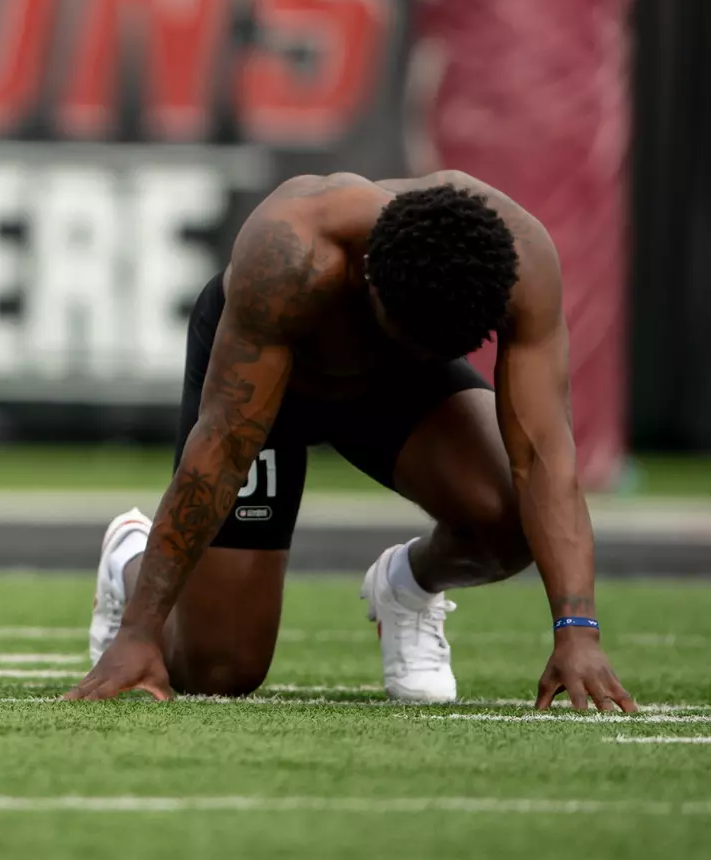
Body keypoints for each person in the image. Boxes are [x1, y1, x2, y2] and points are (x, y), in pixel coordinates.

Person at [67, 171, 637, 711]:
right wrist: (139, 631)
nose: (422, 351)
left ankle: (407, 588)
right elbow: (220, 451)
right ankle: (129, 559)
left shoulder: (519, 261)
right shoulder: (290, 252)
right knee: (218, 672)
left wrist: (577, 630)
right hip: (276, 384)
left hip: (392, 389)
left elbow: (543, 459)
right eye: (410, 336)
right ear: (369, 275)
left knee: (515, 521)